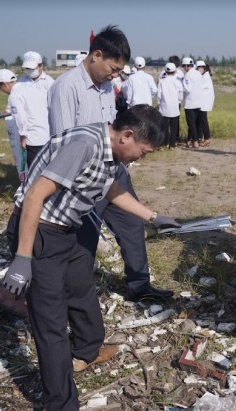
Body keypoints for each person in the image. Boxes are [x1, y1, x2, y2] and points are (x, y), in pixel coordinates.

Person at [3, 105, 172, 411]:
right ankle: (61, 403)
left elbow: (112, 189)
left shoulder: (109, 149)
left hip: (66, 228)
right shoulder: (85, 144)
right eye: (143, 152)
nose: (140, 158)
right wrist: (23, 257)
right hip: (38, 228)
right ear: (128, 136)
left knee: (80, 285)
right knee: (50, 321)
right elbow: (34, 197)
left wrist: (153, 216)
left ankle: (86, 349)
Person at [48, 25, 178, 303]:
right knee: (85, 241)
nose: (116, 75)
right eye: (114, 68)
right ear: (97, 55)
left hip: (113, 167)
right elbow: (62, 143)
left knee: (131, 224)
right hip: (84, 178)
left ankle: (139, 285)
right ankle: (75, 298)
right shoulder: (66, 87)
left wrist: (152, 216)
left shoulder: (107, 86)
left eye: (120, 70)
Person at [0, 69, 50, 168]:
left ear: (4, 84)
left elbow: (21, 118)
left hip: (34, 138)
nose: (1, 91)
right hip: (48, 135)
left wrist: (23, 137)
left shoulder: (14, 95)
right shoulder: (32, 89)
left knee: (35, 171)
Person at [157, 63, 183, 148]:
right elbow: (180, 95)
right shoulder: (178, 82)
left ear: (165, 71)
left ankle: (164, 143)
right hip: (174, 107)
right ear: (175, 71)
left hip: (164, 108)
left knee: (164, 127)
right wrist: (179, 101)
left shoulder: (161, 81)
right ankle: (172, 145)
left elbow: (159, 95)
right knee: (174, 127)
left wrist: (158, 103)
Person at [181, 57, 204, 148]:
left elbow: (188, 88)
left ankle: (194, 141)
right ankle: (193, 140)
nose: (183, 68)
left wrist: (181, 84)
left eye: (183, 66)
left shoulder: (187, 75)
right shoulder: (198, 73)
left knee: (191, 124)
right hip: (198, 102)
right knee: (196, 122)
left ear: (186, 66)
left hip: (190, 103)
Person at [196, 60, 214, 147]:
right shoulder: (203, 75)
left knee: (203, 121)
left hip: (204, 102)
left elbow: (199, 87)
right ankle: (200, 138)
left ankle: (207, 139)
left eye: (198, 67)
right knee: (200, 120)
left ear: (202, 67)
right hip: (201, 102)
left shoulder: (205, 77)